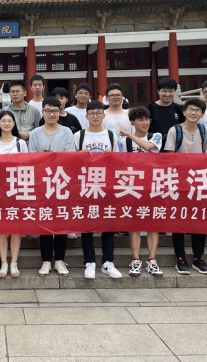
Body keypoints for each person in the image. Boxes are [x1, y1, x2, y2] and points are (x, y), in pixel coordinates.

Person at [163, 98, 207, 275]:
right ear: (184, 112)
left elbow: (205, 155)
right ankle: (180, 257)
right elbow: (169, 156)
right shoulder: (175, 130)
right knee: (179, 219)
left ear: (202, 114)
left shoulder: (204, 130)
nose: (193, 113)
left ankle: (198, 257)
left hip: (199, 181)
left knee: (200, 219)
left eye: (197, 110)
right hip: (179, 180)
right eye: (190, 109)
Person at [74, 100, 123, 279]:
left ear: (104, 115)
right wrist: (79, 156)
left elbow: (120, 162)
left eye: (98, 113)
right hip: (85, 185)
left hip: (106, 185)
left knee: (108, 224)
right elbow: (69, 162)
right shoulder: (78, 136)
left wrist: (111, 157)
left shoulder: (111, 136)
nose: (95, 116)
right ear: (86, 116)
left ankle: (108, 261)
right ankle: (89, 262)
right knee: (87, 225)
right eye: (92, 113)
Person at [28, 97, 75, 277]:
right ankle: (46, 260)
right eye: (48, 111)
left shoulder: (67, 132)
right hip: (42, 183)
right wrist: (52, 157)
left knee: (61, 221)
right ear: (42, 112)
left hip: (62, 182)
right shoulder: (35, 133)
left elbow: (69, 156)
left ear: (59, 112)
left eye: (55, 111)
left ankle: (60, 260)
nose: (51, 114)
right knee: (45, 221)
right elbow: (33, 158)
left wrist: (48, 157)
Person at [118, 107, 164, 277]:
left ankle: (152, 260)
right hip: (133, 185)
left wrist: (129, 135)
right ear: (132, 122)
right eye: (140, 120)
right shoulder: (124, 142)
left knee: (153, 224)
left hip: (153, 184)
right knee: (134, 223)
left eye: (147, 119)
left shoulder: (156, 136)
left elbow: (147, 146)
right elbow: (121, 163)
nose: (145, 123)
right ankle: (136, 260)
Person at [0, 111, 28, 277]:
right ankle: (4, 263)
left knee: (16, 227)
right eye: (3, 121)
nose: (6, 123)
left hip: (17, 189)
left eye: (9, 121)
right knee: (1, 227)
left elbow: (27, 166)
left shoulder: (21, 143)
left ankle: (14, 263)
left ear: (14, 123)